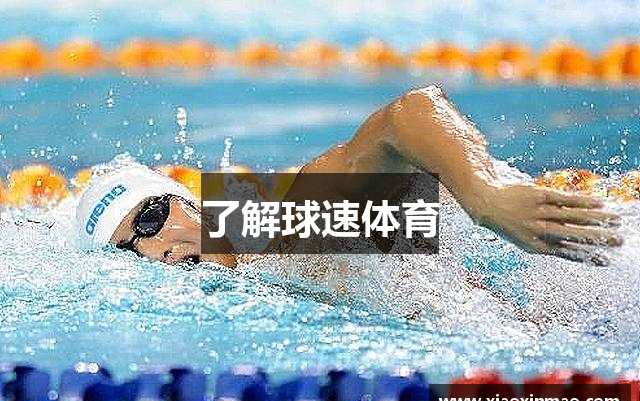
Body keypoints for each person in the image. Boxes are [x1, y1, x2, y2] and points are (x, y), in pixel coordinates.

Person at [75, 86, 622, 268]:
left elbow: (409, 113)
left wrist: (486, 197)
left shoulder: (281, 225)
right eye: (129, 249)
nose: (156, 249)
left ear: (189, 201)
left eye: (150, 217)